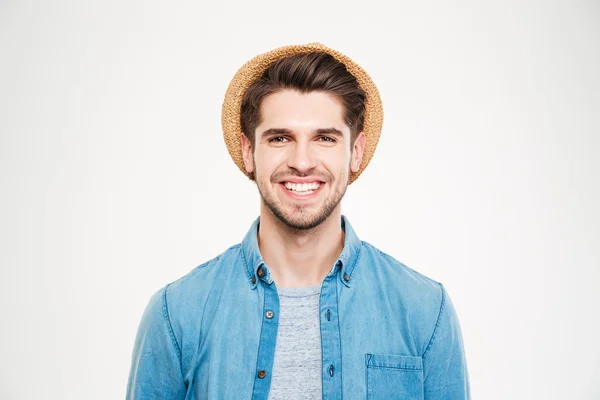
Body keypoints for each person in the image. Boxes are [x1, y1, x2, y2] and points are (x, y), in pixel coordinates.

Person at [126, 42, 470, 399]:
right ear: (249, 152)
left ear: (355, 152)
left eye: (324, 138)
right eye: (279, 138)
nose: (302, 162)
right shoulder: (177, 314)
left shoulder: (425, 310)